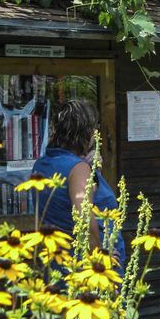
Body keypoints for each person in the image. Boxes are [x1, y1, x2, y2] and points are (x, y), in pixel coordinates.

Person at [32, 100, 126, 269]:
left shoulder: (42, 164)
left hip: (58, 260)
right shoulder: (78, 169)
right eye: (94, 127)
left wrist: (91, 170)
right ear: (85, 132)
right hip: (88, 269)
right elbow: (85, 221)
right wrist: (99, 259)